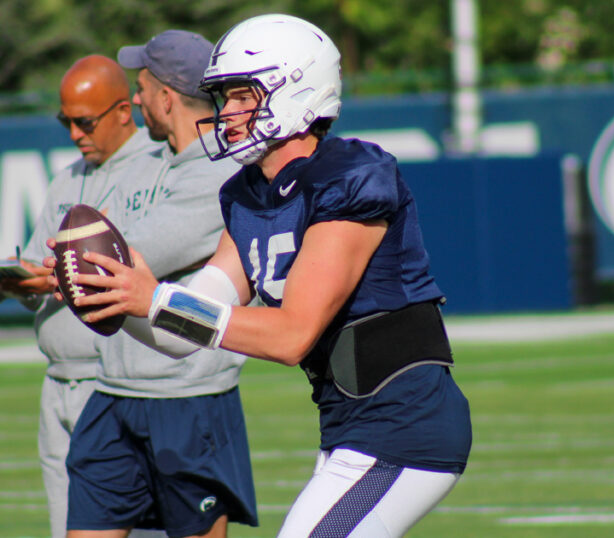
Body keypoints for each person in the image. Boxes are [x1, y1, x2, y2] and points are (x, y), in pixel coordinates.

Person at [55, 14, 472, 537]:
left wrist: (155, 298)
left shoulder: (351, 177)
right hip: (349, 429)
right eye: (222, 97)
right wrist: (121, 302)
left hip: (407, 427)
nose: (224, 112)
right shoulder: (245, 195)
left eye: (239, 95)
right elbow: (181, 332)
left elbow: (294, 335)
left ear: (297, 89)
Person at [59, 30, 257, 537]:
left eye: (143, 88)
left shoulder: (222, 172)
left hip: (189, 398)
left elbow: (133, 259)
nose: (138, 98)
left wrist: (86, 258)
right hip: (113, 393)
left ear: (166, 97)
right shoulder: (140, 164)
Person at [8, 54, 163, 538]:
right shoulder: (66, 179)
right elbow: (36, 265)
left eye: (84, 121)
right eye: (65, 121)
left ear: (123, 110)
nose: (75, 133)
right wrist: (25, 282)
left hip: (117, 383)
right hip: (57, 384)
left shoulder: (157, 171)